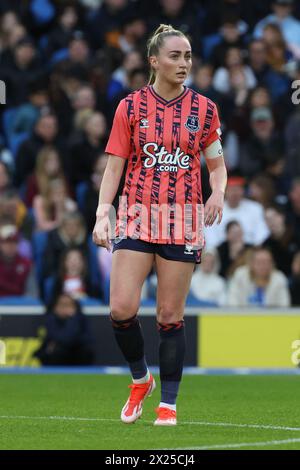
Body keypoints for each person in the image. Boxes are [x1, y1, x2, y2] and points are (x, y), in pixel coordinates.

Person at [92, 24, 227, 426]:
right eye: (175, 56)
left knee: (170, 315)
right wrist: (103, 210)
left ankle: (168, 403)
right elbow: (115, 164)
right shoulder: (129, 108)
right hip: (136, 215)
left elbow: (217, 164)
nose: (184, 63)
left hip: (182, 220)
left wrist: (217, 192)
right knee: (120, 308)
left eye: (187, 56)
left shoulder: (205, 109)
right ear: (154, 61)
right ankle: (140, 379)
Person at [34, 293, 95, 365]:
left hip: (78, 355)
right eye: (62, 305)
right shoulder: (50, 319)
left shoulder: (80, 319)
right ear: (55, 307)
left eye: (68, 305)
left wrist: (72, 318)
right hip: (57, 358)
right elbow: (54, 336)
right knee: (55, 351)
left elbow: (72, 338)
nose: (64, 308)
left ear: (75, 308)